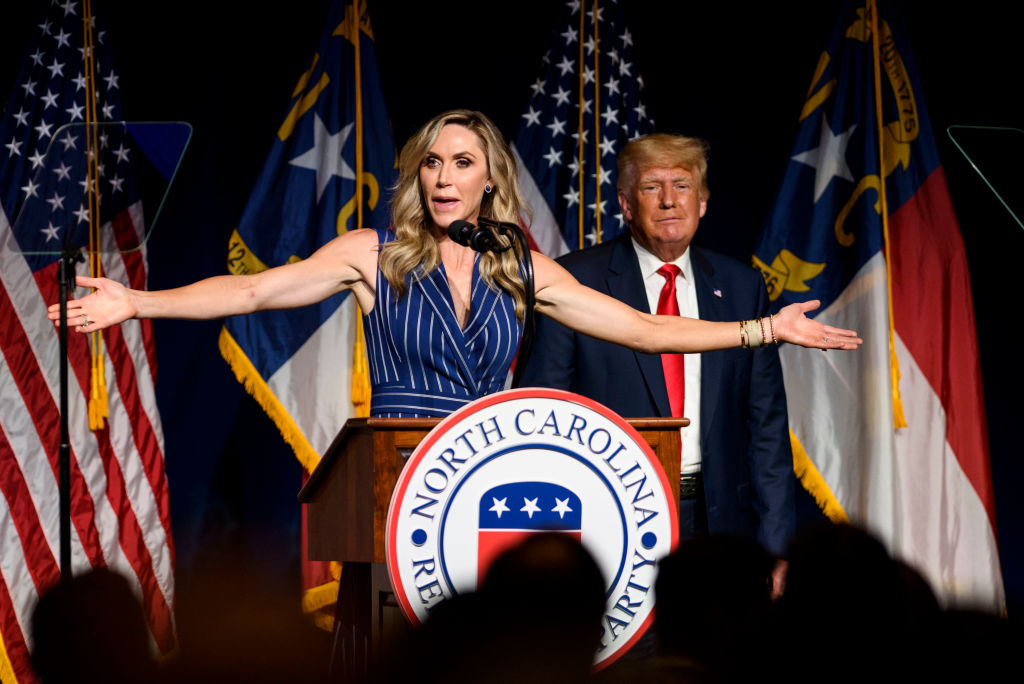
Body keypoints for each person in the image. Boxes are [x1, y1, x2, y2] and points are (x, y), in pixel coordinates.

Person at [48, 110, 859, 421]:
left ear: (488, 179)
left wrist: (764, 329)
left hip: (492, 460)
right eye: (431, 162)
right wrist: (137, 303)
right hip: (394, 471)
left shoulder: (521, 268)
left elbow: (646, 330)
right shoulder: (373, 256)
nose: (442, 178)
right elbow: (257, 288)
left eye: (462, 163)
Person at [520, 133, 796, 569]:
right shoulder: (575, 283)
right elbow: (543, 412)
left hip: (719, 524)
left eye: (682, 186)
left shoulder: (743, 288)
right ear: (627, 204)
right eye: (652, 187)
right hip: (609, 520)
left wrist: (778, 549)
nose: (669, 201)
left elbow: (766, 430)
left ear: (702, 201)